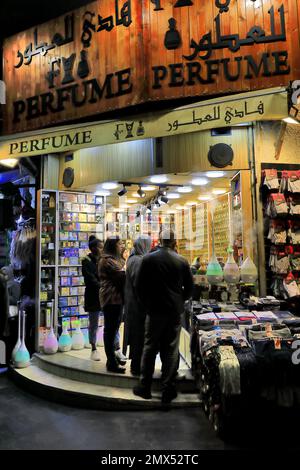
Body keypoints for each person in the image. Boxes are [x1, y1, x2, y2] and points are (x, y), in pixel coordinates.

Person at [133, 230, 194, 404]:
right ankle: (168, 389)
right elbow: (190, 288)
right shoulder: (181, 261)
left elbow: (138, 285)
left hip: (154, 310)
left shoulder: (148, 259)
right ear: (174, 241)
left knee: (150, 346)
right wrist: (179, 301)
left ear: (160, 240)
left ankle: (145, 387)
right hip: (174, 311)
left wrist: (146, 303)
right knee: (171, 349)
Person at [124, 236, 152, 376]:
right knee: (139, 338)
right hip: (138, 307)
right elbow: (140, 284)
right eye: (149, 245)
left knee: (137, 338)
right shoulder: (138, 261)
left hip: (133, 305)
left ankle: (137, 365)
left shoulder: (133, 258)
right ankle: (137, 367)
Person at [99, 236, 126, 373]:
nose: (122, 246)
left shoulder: (112, 259)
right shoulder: (107, 261)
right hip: (111, 299)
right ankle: (111, 362)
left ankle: (113, 359)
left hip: (115, 299)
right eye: (119, 244)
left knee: (113, 329)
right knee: (110, 331)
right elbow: (122, 277)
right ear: (113, 246)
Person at [82, 236, 103, 361]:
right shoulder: (86, 261)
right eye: (100, 247)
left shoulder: (103, 260)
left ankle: (116, 347)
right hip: (93, 296)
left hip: (104, 295)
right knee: (93, 322)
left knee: (112, 321)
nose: (102, 249)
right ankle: (93, 347)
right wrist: (103, 285)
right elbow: (91, 279)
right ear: (93, 248)